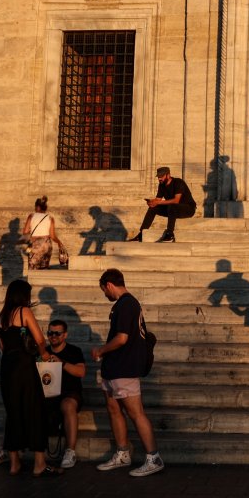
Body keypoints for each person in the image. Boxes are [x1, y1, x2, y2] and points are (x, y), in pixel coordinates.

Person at [93, 268, 164, 476]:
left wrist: (100, 350)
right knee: (113, 409)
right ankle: (122, 453)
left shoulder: (126, 304)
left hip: (124, 367)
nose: (105, 295)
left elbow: (122, 338)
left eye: (104, 290)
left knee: (136, 413)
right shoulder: (124, 305)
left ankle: (153, 457)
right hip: (114, 369)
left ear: (109, 285)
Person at [0, 279, 60, 477]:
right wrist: (45, 355)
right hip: (24, 365)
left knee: (13, 413)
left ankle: (14, 462)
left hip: (7, 366)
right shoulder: (24, 312)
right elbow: (40, 340)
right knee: (34, 409)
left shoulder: (1, 316)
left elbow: (2, 347)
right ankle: (39, 463)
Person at [45, 319, 87, 469]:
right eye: (50, 332)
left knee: (68, 405)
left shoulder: (74, 351)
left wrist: (61, 362)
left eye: (57, 333)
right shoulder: (43, 352)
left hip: (70, 393)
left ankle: (70, 451)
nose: (53, 336)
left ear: (65, 335)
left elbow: (81, 372)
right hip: (49, 394)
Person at [129, 167, 197, 243]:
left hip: (188, 209)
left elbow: (176, 200)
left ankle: (170, 234)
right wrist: (152, 202)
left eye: (161, 176)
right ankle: (141, 234)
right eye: (158, 177)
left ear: (168, 175)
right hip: (172, 209)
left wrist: (158, 202)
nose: (159, 179)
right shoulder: (161, 185)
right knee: (153, 208)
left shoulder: (178, 182)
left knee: (172, 206)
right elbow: (158, 200)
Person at [22, 196, 65, 270]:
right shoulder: (50, 218)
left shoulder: (31, 216)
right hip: (46, 245)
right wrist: (59, 242)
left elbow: (25, 232)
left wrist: (30, 231)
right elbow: (52, 236)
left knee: (33, 268)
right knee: (44, 268)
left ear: (37, 207)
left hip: (35, 245)